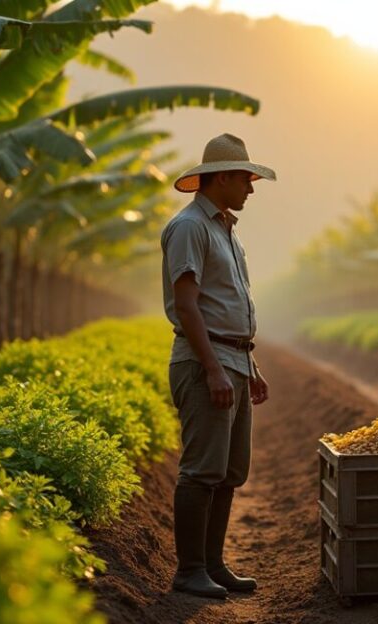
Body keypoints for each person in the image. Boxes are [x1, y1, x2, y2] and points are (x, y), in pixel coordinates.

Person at [161, 133, 274, 599]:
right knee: (202, 470)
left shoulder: (226, 228)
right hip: (206, 361)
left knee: (228, 471)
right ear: (222, 177)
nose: (251, 188)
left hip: (234, 359)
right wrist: (211, 368)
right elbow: (187, 306)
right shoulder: (190, 227)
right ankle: (189, 571)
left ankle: (212, 564)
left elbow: (228, 305)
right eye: (246, 179)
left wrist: (251, 363)